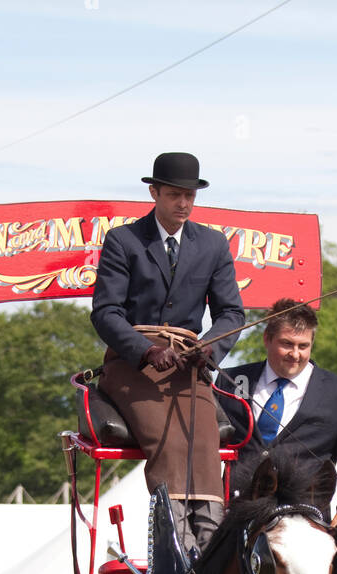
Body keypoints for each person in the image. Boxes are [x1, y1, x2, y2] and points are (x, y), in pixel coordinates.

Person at [91, 152, 245, 552]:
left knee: (204, 438)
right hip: (131, 363)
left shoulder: (212, 245)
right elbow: (105, 313)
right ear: (154, 192)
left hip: (189, 361)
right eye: (175, 194)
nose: (184, 203)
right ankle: (175, 542)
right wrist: (145, 351)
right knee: (170, 440)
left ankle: (209, 542)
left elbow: (231, 313)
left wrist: (207, 351)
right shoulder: (123, 241)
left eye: (190, 195)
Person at [220, 298, 337, 568]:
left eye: (303, 346)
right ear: (267, 339)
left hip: (305, 527)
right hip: (235, 524)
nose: (295, 354)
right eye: (287, 344)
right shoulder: (230, 381)